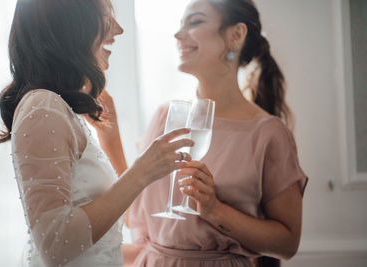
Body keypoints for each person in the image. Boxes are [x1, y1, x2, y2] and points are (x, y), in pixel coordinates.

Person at [0, 0, 195, 266]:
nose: (120, 30)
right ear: (72, 24)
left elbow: (101, 232)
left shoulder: (59, 109)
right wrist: (142, 172)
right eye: (107, 16)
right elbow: (55, 244)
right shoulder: (43, 107)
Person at [127, 0, 308, 266]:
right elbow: (136, 217)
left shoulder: (268, 134)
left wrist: (214, 210)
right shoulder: (165, 117)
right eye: (180, 25)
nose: (178, 35)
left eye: (195, 22)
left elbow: (287, 244)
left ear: (236, 35)